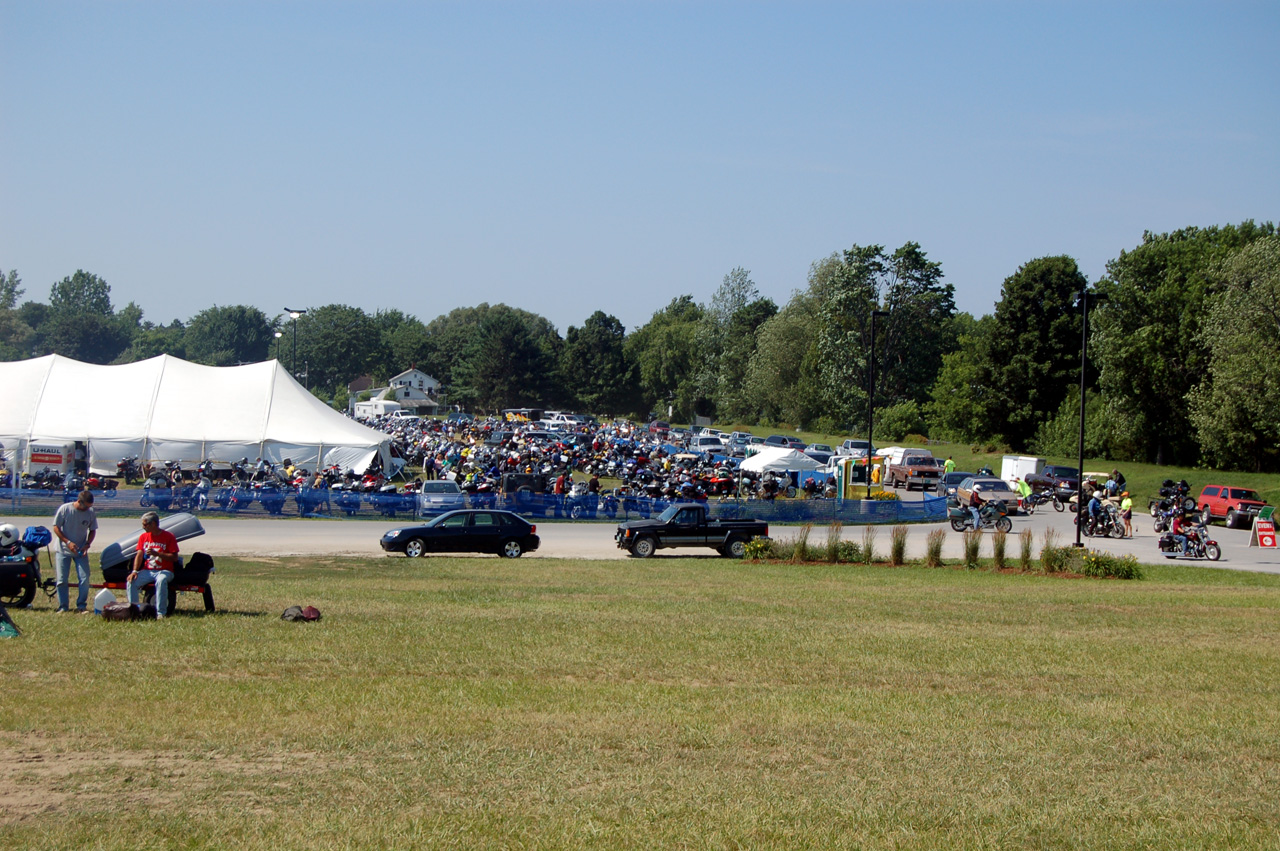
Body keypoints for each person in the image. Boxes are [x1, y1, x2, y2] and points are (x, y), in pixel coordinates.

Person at [127, 511, 180, 620]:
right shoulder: (143, 537)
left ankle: (161, 612)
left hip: (165, 570)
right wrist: (134, 571)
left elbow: (174, 557)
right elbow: (139, 555)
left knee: (161, 581)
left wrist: (158, 554)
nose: (143, 527)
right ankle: (134, 610)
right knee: (131, 581)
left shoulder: (168, 536)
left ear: (154, 524)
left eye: (145, 524)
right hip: (148, 570)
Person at [53, 489, 97, 614]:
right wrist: (67, 542)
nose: (87, 509)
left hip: (81, 551)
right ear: (79, 501)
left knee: (84, 578)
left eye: (90, 507)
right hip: (63, 550)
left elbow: (93, 530)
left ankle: (81, 605)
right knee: (62, 580)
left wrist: (87, 545)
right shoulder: (65, 509)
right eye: (86, 506)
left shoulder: (90, 512)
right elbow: (56, 527)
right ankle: (63, 606)